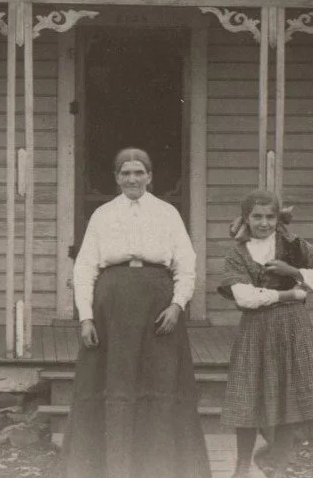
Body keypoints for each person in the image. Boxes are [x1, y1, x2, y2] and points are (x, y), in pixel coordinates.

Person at [62, 147, 211, 478]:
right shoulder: (101, 215)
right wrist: (85, 316)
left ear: (150, 176)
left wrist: (177, 304)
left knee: (159, 380)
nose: (132, 178)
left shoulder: (167, 213)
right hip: (111, 305)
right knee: (114, 383)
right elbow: (85, 268)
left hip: (158, 304)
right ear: (117, 178)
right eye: (125, 173)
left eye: (139, 172)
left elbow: (186, 264)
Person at [218, 191, 313, 478]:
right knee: (246, 395)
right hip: (255, 329)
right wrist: (290, 293)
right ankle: (243, 465)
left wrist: (291, 269)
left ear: (278, 218)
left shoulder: (293, 245)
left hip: (291, 328)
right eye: (257, 216)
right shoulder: (238, 253)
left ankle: (279, 467)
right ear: (246, 218)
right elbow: (244, 298)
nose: (264, 223)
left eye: (270, 217)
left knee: (287, 396)